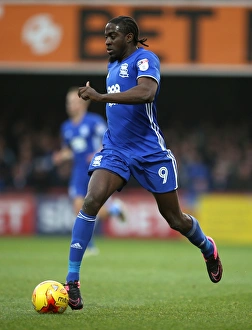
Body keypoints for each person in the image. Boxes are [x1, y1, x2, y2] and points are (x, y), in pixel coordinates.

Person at [64, 16, 223, 310]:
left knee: (175, 220)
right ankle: (72, 280)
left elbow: (147, 92)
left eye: (112, 36)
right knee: (90, 201)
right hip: (116, 149)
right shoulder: (111, 67)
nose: (107, 41)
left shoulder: (146, 58)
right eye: (105, 36)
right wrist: (103, 97)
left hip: (151, 153)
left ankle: (207, 247)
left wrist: (100, 96)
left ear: (129, 37)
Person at [53, 87, 125, 256]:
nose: (70, 106)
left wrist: (97, 152)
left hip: (96, 168)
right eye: (68, 102)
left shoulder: (94, 121)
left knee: (90, 206)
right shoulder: (66, 128)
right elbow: (70, 150)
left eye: (74, 102)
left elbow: (110, 139)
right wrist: (61, 156)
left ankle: (111, 213)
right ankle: (112, 213)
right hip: (78, 171)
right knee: (78, 208)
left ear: (83, 103)